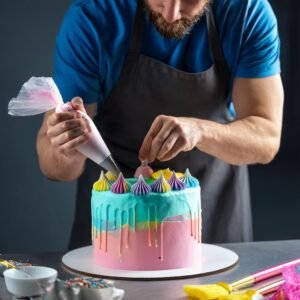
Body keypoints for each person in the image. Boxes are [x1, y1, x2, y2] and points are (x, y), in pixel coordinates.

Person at [36, 0, 284, 249]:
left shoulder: (246, 12)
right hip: (115, 232)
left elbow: (266, 139)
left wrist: (200, 131)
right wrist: (64, 148)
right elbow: (53, 166)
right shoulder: (94, 16)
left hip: (214, 217)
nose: (171, 13)